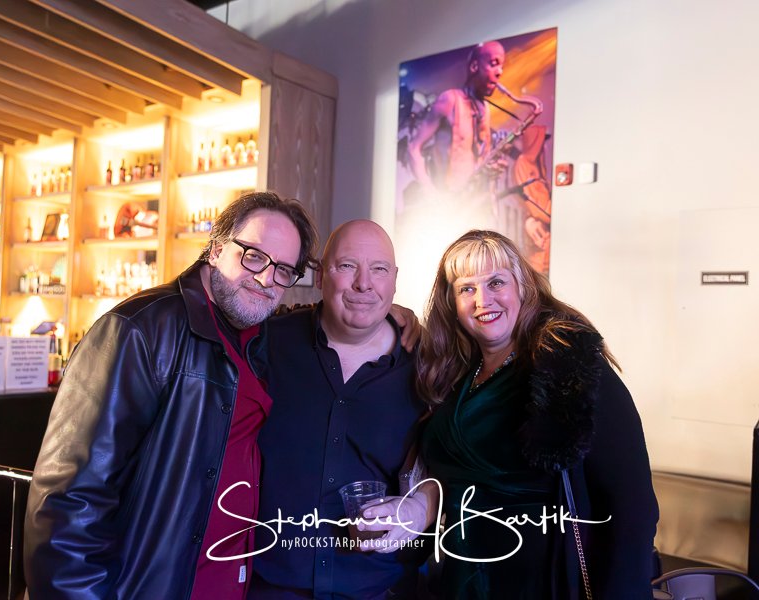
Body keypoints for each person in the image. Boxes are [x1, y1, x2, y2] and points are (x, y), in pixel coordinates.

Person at [24, 191, 318, 600]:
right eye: (253, 256)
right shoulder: (139, 329)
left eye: (284, 270)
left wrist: (389, 313)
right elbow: (68, 499)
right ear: (216, 249)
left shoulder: (258, 337)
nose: (267, 279)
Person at [416, 230, 659, 598]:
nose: (482, 300)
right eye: (466, 288)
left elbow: (633, 504)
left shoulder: (566, 364)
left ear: (522, 287)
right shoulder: (457, 372)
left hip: (544, 581)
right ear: (451, 302)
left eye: (496, 282)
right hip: (463, 577)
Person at [250, 220, 434, 599]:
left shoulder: (427, 366)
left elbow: (455, 469)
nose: (364, 284)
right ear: (320, 275)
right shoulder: (268, 342)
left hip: (379, 589)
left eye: (379, 269)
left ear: (394, 280)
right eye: (347, 266)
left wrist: (422, 507)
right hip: (267, 586)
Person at [407, 41, 506, 197]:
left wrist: (492, 166)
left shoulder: (485, 108)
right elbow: (413, 147)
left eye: (502, 66)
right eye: (494, 64)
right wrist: (429, 190)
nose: (500, 72)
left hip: (472, 200)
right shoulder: (450, 99)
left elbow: (480, 158)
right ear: (474, 66)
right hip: (447, 199)